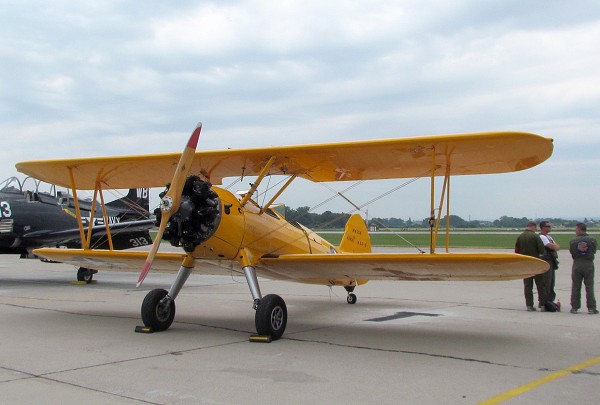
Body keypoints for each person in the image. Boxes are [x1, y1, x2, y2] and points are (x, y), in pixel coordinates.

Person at [515, 221, 547, 311]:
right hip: (536, 263)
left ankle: (529, 305)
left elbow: (517, 251)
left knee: (528, 285)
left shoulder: (520, 237)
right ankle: (543, 305)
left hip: (525, 264)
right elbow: (541, 250)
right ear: (533, 227)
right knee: (540, 285)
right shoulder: (535, 236)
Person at [569, 223, 598, 314]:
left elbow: (572, 252)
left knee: (576, 286)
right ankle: (591, 308)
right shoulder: (593, 240)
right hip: (588, 263)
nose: (575, 230)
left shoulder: (573, 241)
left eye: (576, 229)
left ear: (580, 229)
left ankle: (574, 307)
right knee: (589, 286)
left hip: (577, 263)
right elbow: (594, 251)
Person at [539, 220, 560, 303]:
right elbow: (551, 246)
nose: (550, 227)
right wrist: (555, 246)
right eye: (548, 226)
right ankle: (544, 301)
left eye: (550, 226)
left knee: (551, 282)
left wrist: (555, 246)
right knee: (546, 281)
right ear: (543, 227)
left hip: (551, 261)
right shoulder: (542, 237)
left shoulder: (549, 237)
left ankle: (550, 299)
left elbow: (557, 247)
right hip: (546, 260)